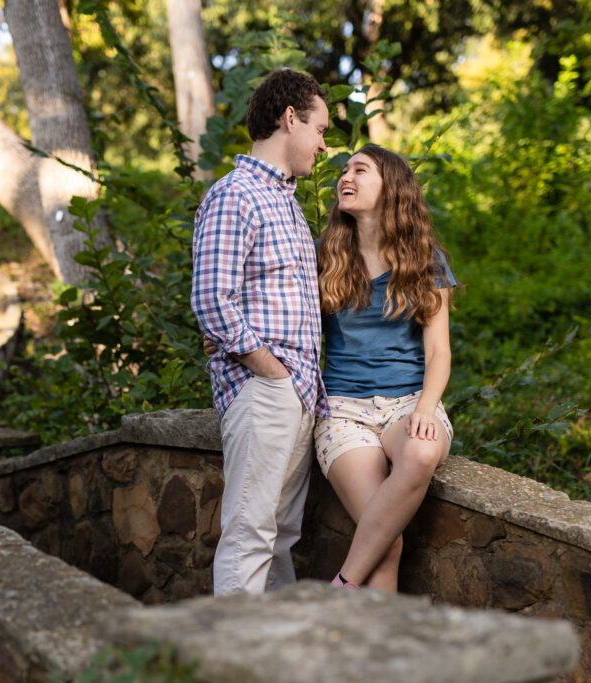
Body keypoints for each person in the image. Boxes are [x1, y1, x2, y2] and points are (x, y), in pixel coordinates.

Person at [191, 69, 331, 596]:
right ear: (289, 118)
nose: (323, 143)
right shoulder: (236, 195)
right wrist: (269, 371)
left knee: (279, 538)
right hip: (267, 391)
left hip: (296, 394)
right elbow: (211, 299)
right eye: (318, 128)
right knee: (250, 537)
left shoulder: (286, 202)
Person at [315, 145, 456, 590]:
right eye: (343, 170)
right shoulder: (324, 255)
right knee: (386, 544)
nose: (345, 176)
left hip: (409, 401)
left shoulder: (424, 257)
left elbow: (439, 352)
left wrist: (426, 409)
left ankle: (342, 586)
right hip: (342, 410)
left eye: (360, 169)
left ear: (390, 186)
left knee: (421, 451)